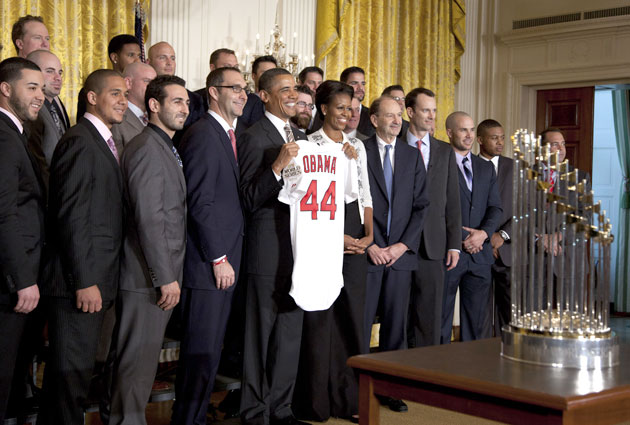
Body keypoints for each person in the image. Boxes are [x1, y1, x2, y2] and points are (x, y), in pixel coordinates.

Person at [39, 69, 128, 425]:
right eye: (116, 93)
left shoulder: (102, 140)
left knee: (74, 380)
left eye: (125, 94)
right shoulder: (80, 141)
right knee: (68, 382)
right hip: (79, 283)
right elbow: (71, 217)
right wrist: (85, 280)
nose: (124, 100)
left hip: (97, 280)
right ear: (92, 97)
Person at [107, 75, 189, 425]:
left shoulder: (165, 146)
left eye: (186, 102)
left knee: (137, 364)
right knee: (135, 365)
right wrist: (165, 276)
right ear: (153, 105)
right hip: (145, 278)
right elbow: (148, 219)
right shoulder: (145, 147)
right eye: (176, 101)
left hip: (154, 275)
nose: (184, 109)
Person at [292, 80, 373, 422]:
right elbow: (301, 202)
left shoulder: (357, 147)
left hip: (355, 231)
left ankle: (350, 401)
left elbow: (365, 195)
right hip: (320, 234)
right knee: (320, 319)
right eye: (340, 107)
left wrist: (369, 235)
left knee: (352, 319)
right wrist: (334, 236)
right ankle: (315, 403)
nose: (347, 114)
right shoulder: (306, 145)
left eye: (351, 108)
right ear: (324, 109)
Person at [171, 67, 246, 425]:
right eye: (235, 88)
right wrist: (219, 257)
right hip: (207, 266)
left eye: (245, 89)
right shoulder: (203, 134)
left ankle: (196, 417)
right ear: (214, 92)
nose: (243, 95)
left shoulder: (228, 134)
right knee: (199, 355)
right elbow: (200, 204)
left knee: (208, 355)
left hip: (223, 262)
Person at [238, 68, 309, 425]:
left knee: (289, 332)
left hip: (299, 249)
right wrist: (278, 167)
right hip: (265, 250)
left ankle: (281, 409)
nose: (293, 94)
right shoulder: (251, 136)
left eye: (295, 88)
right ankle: (254, 413)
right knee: (260, 336)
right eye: (285, 89)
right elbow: (248, 198)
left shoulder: (302, 135)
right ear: (263, 95)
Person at [363, 96, 429, 413]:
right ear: (374, 120)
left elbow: (421, 206)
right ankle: (354, 391)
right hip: (367, 255)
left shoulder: (410, 155)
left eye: (398, 115)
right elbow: (350, 206)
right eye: (388, 116)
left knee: (395, 329)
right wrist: (370, 245)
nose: (396, 120)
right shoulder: (358, 150)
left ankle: (390, 389)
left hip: (400, 257)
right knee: (360, 327)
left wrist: (402, 246)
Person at [0, 57, 46, 424]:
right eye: (31, 87)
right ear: (5, 88)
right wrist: (23, 279)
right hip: (9, 283)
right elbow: (4, 215)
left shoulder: (15, 134)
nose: (40, 95)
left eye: (42, 89)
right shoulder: (3, 136)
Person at [404, 88, 461, 348]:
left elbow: (452, 201)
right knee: (398, 317)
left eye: (434, 110)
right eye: (426, 110)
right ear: (410, 112)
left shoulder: (445, 151)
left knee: (429, 318)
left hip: (434, 246)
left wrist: (453, 244)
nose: (431, 116)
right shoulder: (394, 145)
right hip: (400, 244)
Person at [441, 112, 502, 344]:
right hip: (449, 255)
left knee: (476, 325)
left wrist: (484, 234)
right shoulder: (438, 163)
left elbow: (496, 208)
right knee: (441, 321)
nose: (469, 135)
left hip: (480, 256)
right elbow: (434, 210)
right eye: (462, 130)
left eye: (471, 130)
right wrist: (458, 239)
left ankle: (470, 375)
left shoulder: (485, 168)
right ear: (449, 132)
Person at [477, 119, 513, 336]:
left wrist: (502, 235)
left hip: (507, 251)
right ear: (480, 140)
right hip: (477, 249)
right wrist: (486, 238)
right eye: (494, 138)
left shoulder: (516, 167)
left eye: (502, 137)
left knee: (509, 313)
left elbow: (526, 209)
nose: (500, 142)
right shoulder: (468, 164)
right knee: (479, 311)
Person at [25, 50, 70, 183]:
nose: (58, 78)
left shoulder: (54, 108)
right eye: (50, 71)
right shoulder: (31, 111)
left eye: (60, 72)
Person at [77, 35, 142, 119]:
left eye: (139, 56)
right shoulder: (95, 87)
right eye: (131, 55)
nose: (138, 61)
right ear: (114, 57)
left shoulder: (140, 88)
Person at [148, 41, 205, 133]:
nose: (169, 63)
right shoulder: (141, 93)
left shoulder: (195, 100)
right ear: (148, 62)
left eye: (172, 58)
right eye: (162, 58)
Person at [111, 62, 157, 152]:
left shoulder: (157, 115)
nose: (153, 87)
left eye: (154, 82)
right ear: (128, 83)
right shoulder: (116, 119)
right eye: (147, 81)